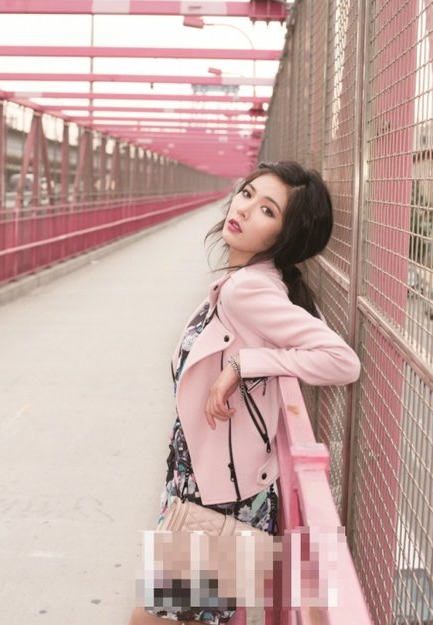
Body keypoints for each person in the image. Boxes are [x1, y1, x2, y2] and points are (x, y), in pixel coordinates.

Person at [129, 161, 361, 625]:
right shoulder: (249, 281)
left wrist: (245, 364)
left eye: (268, 210)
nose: (245, 208)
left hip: (218, 502)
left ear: (283, 236)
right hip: (201, 488)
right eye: (248, 194)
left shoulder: (248, 291)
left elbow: (342, 360)